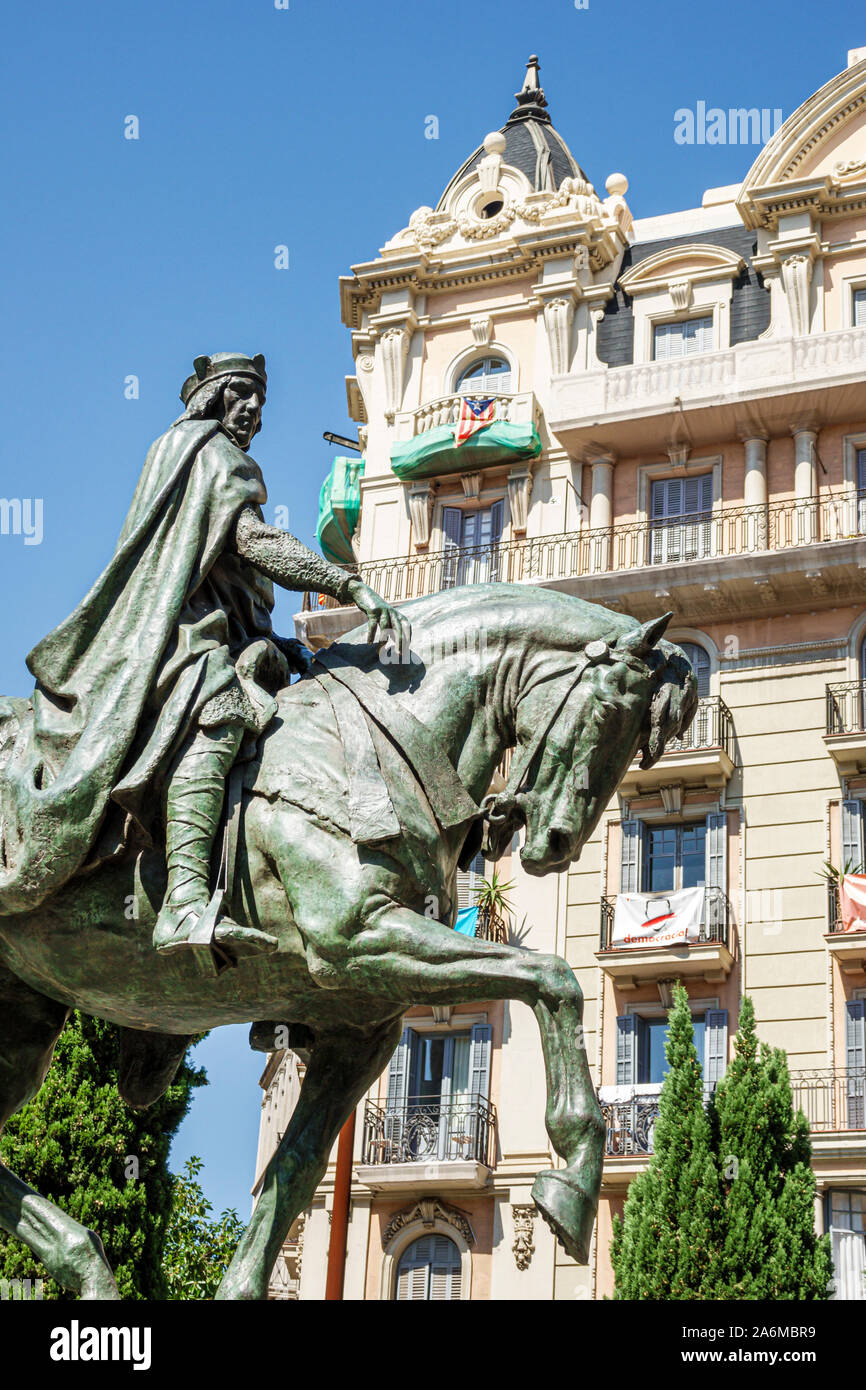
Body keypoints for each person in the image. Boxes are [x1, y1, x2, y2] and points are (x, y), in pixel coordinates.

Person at [1, 352, 408, 961]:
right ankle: (185, 901)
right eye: (244, 396)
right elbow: (252, 541)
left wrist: (279, 642)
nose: (255, 413)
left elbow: (228, 571)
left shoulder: (201, 457)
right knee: (217, 710)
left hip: (213, 629)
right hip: (178, 637)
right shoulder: (207, 452)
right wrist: (345, 583)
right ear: (214, 398)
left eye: (262, 403)